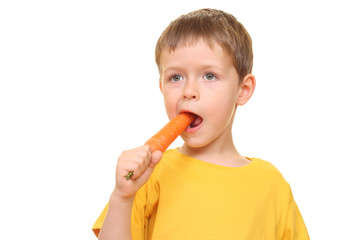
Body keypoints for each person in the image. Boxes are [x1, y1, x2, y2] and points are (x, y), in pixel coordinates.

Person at [92, 8, 309, 239]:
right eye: (176, 77)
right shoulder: (150, 173)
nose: (189, 92)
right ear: (161, 88)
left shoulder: (271, 184)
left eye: (209, 76)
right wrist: (122, 198)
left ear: (242, 90)